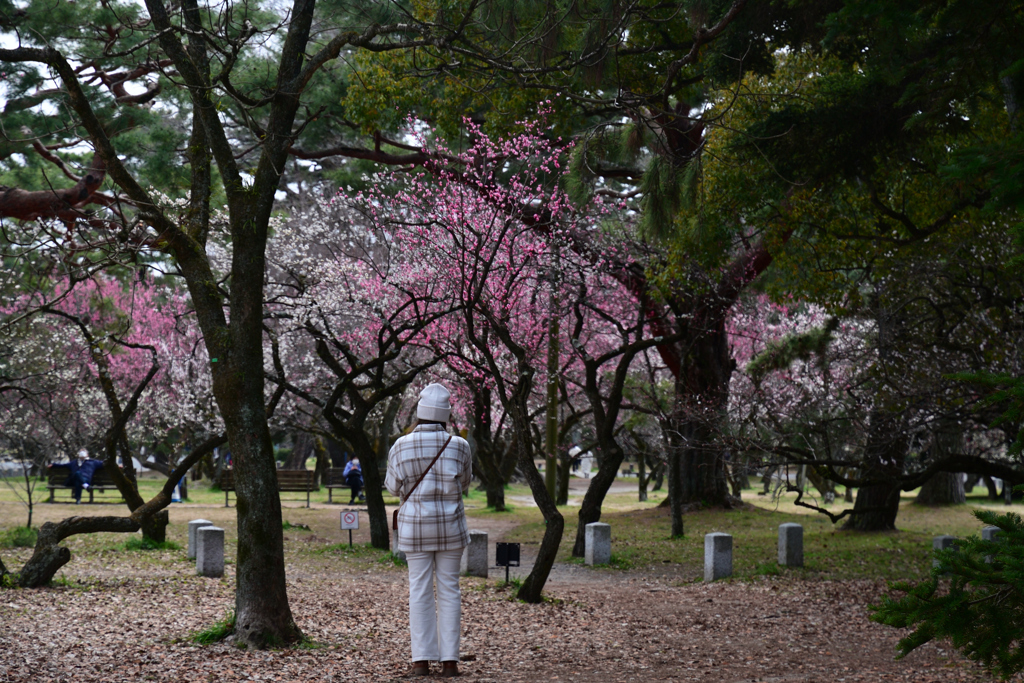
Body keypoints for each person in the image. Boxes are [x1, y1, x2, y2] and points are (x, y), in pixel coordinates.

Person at [386, 383, 472, 678]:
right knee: (450, 590)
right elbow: (464, 484)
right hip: (451, 529)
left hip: (415, 529)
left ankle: (421, 661)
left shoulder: (400, 445)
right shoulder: (459, 445)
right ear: (446, 415)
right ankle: (450, 662)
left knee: (419, 591)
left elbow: (393, 486)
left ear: (420, 413)